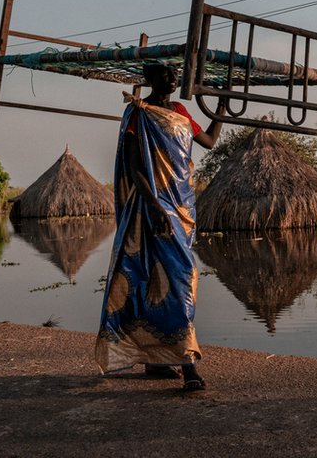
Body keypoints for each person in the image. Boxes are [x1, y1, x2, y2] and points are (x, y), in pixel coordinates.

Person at [95, 62, 225, 391]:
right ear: (149, 80)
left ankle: (156, 360)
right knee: (179, 279)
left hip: (182, 205)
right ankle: (188, 363)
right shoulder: (140, 114)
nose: (172, 78)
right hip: (155, 208)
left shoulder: (180, 110)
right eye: (164, 75)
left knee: (165, 279)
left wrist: (221, 109)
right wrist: (154, 206)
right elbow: (136, 167)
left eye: (174, 74)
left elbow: (208, 141)